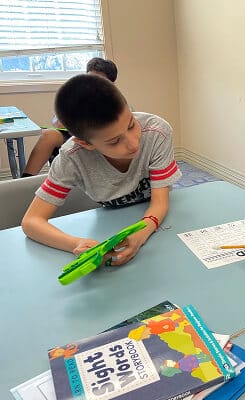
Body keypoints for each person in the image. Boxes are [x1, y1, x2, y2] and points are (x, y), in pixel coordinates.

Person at [22, 73, 181, 266]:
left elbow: (160, 203)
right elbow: (31, 221)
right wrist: (75, 243)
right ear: (85, 143)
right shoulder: (72, 157)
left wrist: (140, 235)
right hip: (109, 222)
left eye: (131, 124)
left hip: (159, 225)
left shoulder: (157, 132)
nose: (133, 144)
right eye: (114, 141)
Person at [21, 57, 119, 177]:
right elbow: (57, 121)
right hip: (74, 133)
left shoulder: (114, 101)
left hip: (98, 138)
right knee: (48, 135)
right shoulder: (77, 94)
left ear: (110, 83)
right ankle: (26, 181)